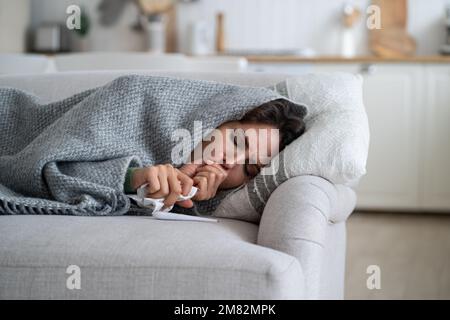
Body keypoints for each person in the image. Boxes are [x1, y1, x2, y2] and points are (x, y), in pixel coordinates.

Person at [123, 98, 306, 210]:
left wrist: (186, 198)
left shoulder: (210, 201)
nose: (231, 162)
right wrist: (130, 178)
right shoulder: (141, 104)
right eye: (236, 141)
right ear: (220, 119)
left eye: (248, 168)